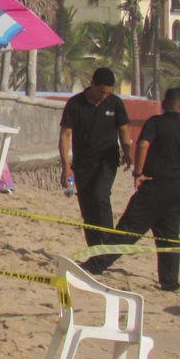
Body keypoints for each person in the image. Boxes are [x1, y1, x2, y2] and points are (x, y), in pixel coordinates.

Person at [89, 87, 180, 286]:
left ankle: (96, 265)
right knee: (170, 237)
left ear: (164, 105)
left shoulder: (155, 122)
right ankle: (169, 281)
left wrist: (138, 173)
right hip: (178, 191)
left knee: (128, 230)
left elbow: (143, 145)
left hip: (155, 187)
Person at [58, 67, 134, 259]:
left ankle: (108, 246)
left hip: (107, 161)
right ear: (92, 84)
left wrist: (127, 152)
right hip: (82, 163)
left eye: (108, 92)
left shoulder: (115, 103)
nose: (104, 96)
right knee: (87, 207)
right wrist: (66, 166)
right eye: (101, 91)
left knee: (100, 196)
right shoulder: (75, 104)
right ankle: (94, 250)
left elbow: (124, 130)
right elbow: (65, 135)